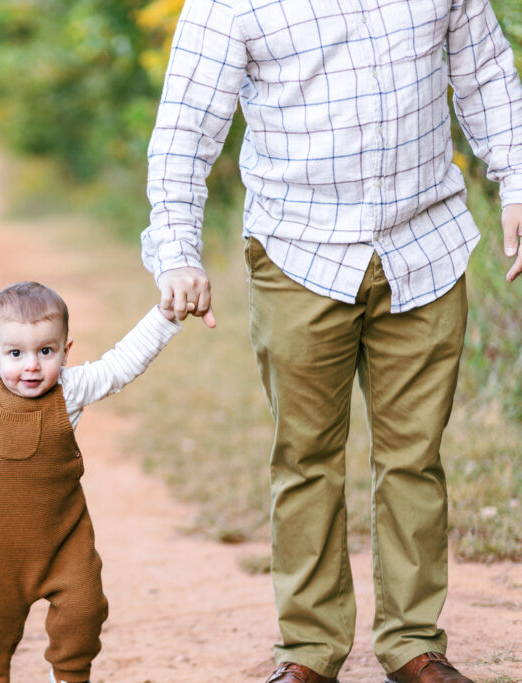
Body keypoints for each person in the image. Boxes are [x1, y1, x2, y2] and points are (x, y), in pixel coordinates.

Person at [143, 1, 522, 682]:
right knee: (306, 456)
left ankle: (413, 645)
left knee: (415, 455)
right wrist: (176, 251)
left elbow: (486, 70)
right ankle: (309, 652)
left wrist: (518, 178)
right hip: (299, 251)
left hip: (425, 240)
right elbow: (184, 130)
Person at [0, 268, 181, 683]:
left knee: (85, 609)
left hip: (64, 543)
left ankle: (68, 675)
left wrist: (165, 316)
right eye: (15, 354)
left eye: (45, 351)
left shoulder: (72, 388)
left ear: (65, 350)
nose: (31, 366)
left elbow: (122, 363)